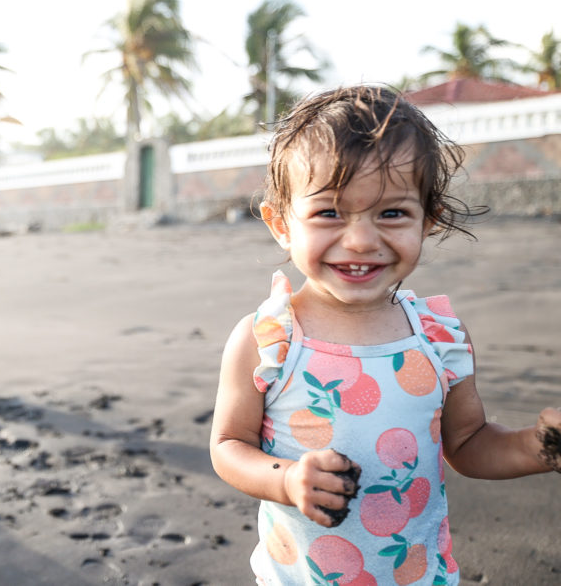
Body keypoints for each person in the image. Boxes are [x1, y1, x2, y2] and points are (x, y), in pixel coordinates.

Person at [208, 85, 561, 585]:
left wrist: (536, 447)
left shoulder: (441, 340)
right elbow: (228, 445)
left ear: (428, 219)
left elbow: (469, 443)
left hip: (419, 576)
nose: (361, 240)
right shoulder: (268, 339)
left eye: (392, 212)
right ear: (281, 223)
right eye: (329, 212)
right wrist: (286, 479)